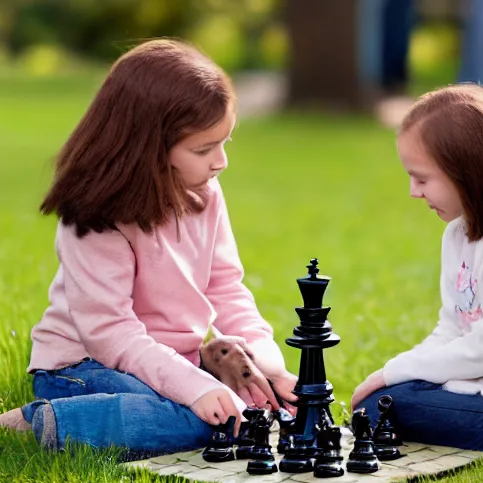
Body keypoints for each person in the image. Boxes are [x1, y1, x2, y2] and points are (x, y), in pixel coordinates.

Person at [0, 39, 297, 457]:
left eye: (224, 143)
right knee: (210, 420)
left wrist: (269, 367)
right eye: (203, 149)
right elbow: (111, 335)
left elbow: (226, 287)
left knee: (246, 410)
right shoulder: (96, 215)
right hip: (83, 367)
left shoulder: (205, 192)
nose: (220, 162)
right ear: (148, 147)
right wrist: (197, 388)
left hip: (165, 364)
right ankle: (46, 421)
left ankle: (143, 408)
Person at [352, 83, 483, 453]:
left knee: (383, 406)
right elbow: (452, 327)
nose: (413, 191)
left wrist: (394, 375)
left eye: (422, 178)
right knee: (385, 400)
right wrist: (397, 370)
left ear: (469, 173)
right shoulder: (458, 234)